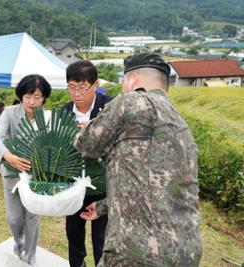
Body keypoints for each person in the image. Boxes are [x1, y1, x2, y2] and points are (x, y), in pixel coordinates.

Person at [75, 53, 202, 266]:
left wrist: (85, 128)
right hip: (185, 251)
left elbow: (85, 144)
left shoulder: (131, 101)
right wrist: (104, 206)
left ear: (132, 79)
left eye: (123, 81)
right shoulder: (179, 123)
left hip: (137, 251)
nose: (123, 86)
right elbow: (158, 182)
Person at [0, 74, 52, 266]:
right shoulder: (9, 113)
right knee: (14, 218)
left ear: (43, 98)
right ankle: (19, 243)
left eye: (37, 97)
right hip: (11, 173)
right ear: (21, 96)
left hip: (37, 176)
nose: (32, 102)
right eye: (28, 97)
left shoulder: (48, 117)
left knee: (32, 217)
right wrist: (9, 157)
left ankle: (30, 254)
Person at [62, 60, 112, 267]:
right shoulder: (64, 112)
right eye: (72, 88)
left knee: (102, 237)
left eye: (82, 88)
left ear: (95, 84)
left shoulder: (110, 106)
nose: (77, 94)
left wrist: (95, 128)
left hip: (102, 185)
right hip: (73, 184)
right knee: (73, 233)